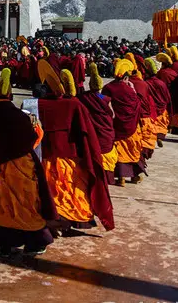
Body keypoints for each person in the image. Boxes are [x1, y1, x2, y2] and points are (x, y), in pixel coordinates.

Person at [0, 69, 56, 258]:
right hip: (18, 169)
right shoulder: (18, 115)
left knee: (0, 207)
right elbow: (30, 139)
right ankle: (34, 244)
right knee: (24, 207)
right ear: (10, 95)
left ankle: (4, 245)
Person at [35, 60, 115, 234]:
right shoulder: (74, 105)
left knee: (51, 191)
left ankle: (52, 221)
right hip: (70, 157)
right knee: (70, 190)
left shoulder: (37, 105)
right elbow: (86, 133)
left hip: (47, 156)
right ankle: (66, 221)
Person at [104, 58, 146, 185]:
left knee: (119, 150)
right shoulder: (129, 90)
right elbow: (138, 104)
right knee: (132, 150)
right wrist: (133, 90)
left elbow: (103, 101)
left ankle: (120, 177)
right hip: (131, 127)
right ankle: (133, 176)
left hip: (115, 126)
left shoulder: (108, 87)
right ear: (126, 76)